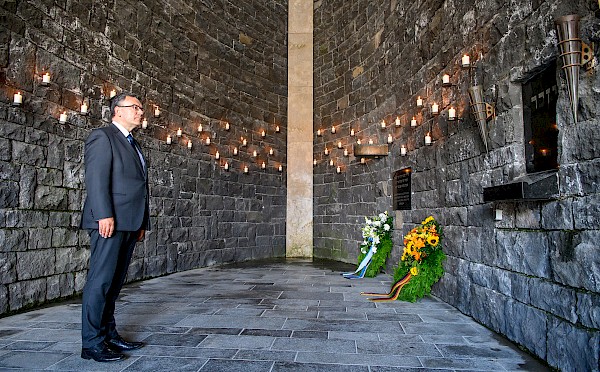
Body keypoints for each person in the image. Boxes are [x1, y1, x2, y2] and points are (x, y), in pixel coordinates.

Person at [80, 92, 150, 362]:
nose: (141, 112)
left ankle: (109, 335)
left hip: (129, 224)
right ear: (117, 111)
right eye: (136, 107)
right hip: (109, 222)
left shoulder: (133, 143)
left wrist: (142, 222)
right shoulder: (103, 137)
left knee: (115, 283)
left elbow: (140, 187)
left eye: (141, 108)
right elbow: (96, 179)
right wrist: (103, 215)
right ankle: (92, 344)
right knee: (100, 282)